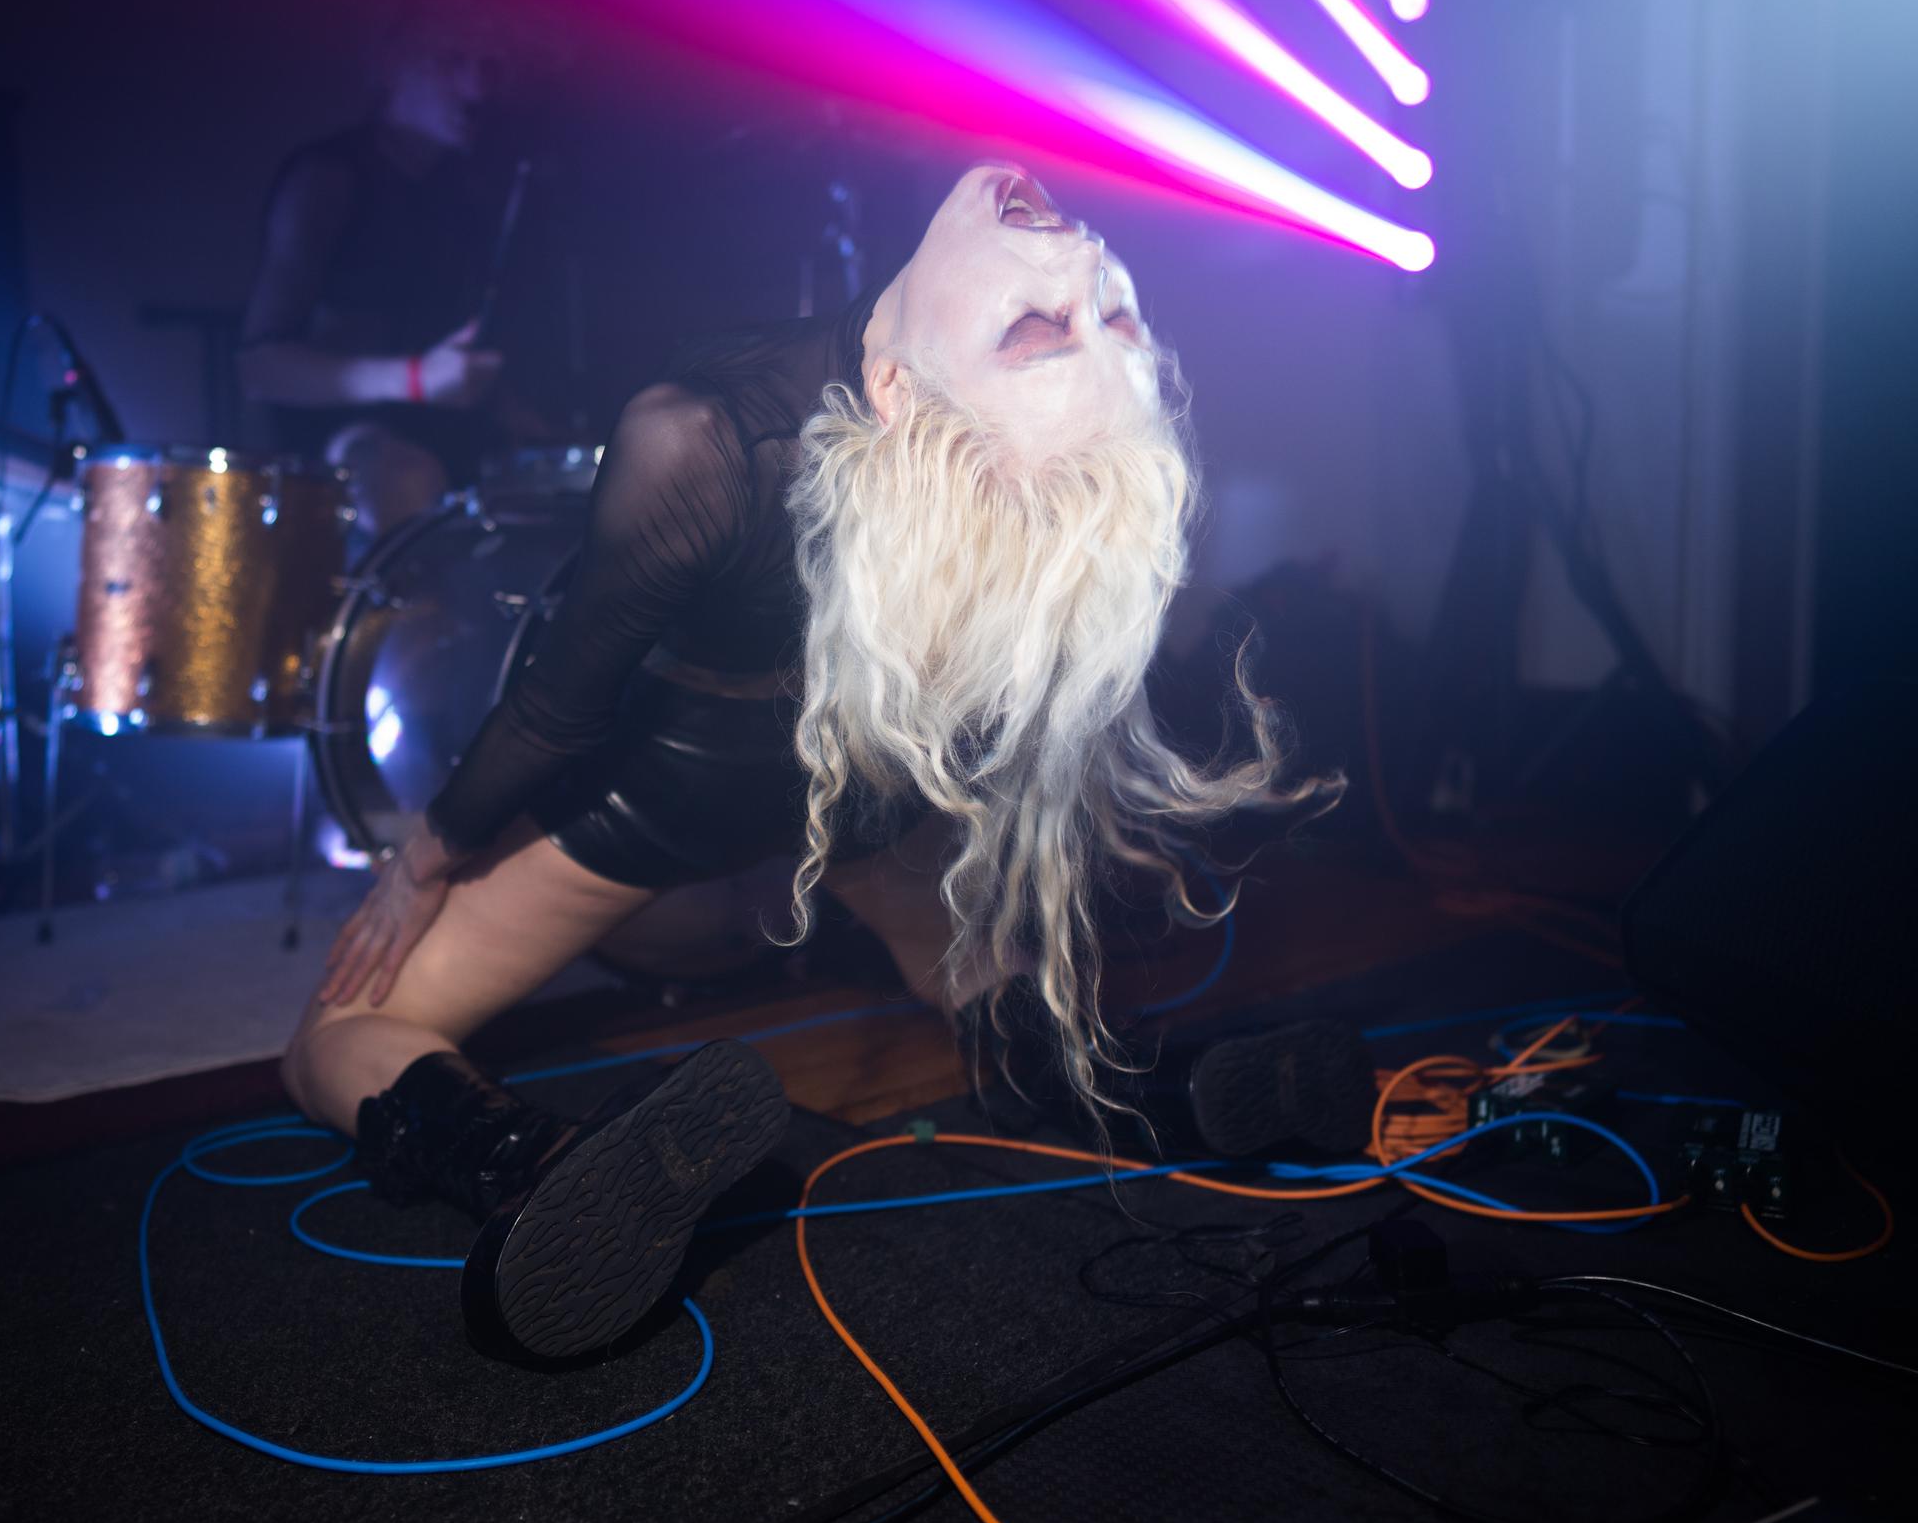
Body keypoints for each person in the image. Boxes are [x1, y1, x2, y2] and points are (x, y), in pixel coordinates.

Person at [281, 161, 1327, 1364]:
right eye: (1113, 309)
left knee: (329, 1036)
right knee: (973, 964)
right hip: (858, 766)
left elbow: (560, 707)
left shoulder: (695, 436)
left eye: (1054, 327)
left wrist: (424, 858)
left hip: (683, 769)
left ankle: (531, 1165)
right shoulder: (863, 435)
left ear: (892, 388)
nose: (1087, 270)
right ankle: (1143, 1095)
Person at [237, 0, 549, 538]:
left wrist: (511, 408)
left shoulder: (467, 190)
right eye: (452, 60)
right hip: (342, 428)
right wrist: (413, 379)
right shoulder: (327, 177)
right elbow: (261, 368)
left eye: (489, 67)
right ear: (391, 66)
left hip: (447, 423)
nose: (476, 86)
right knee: (399, 477)